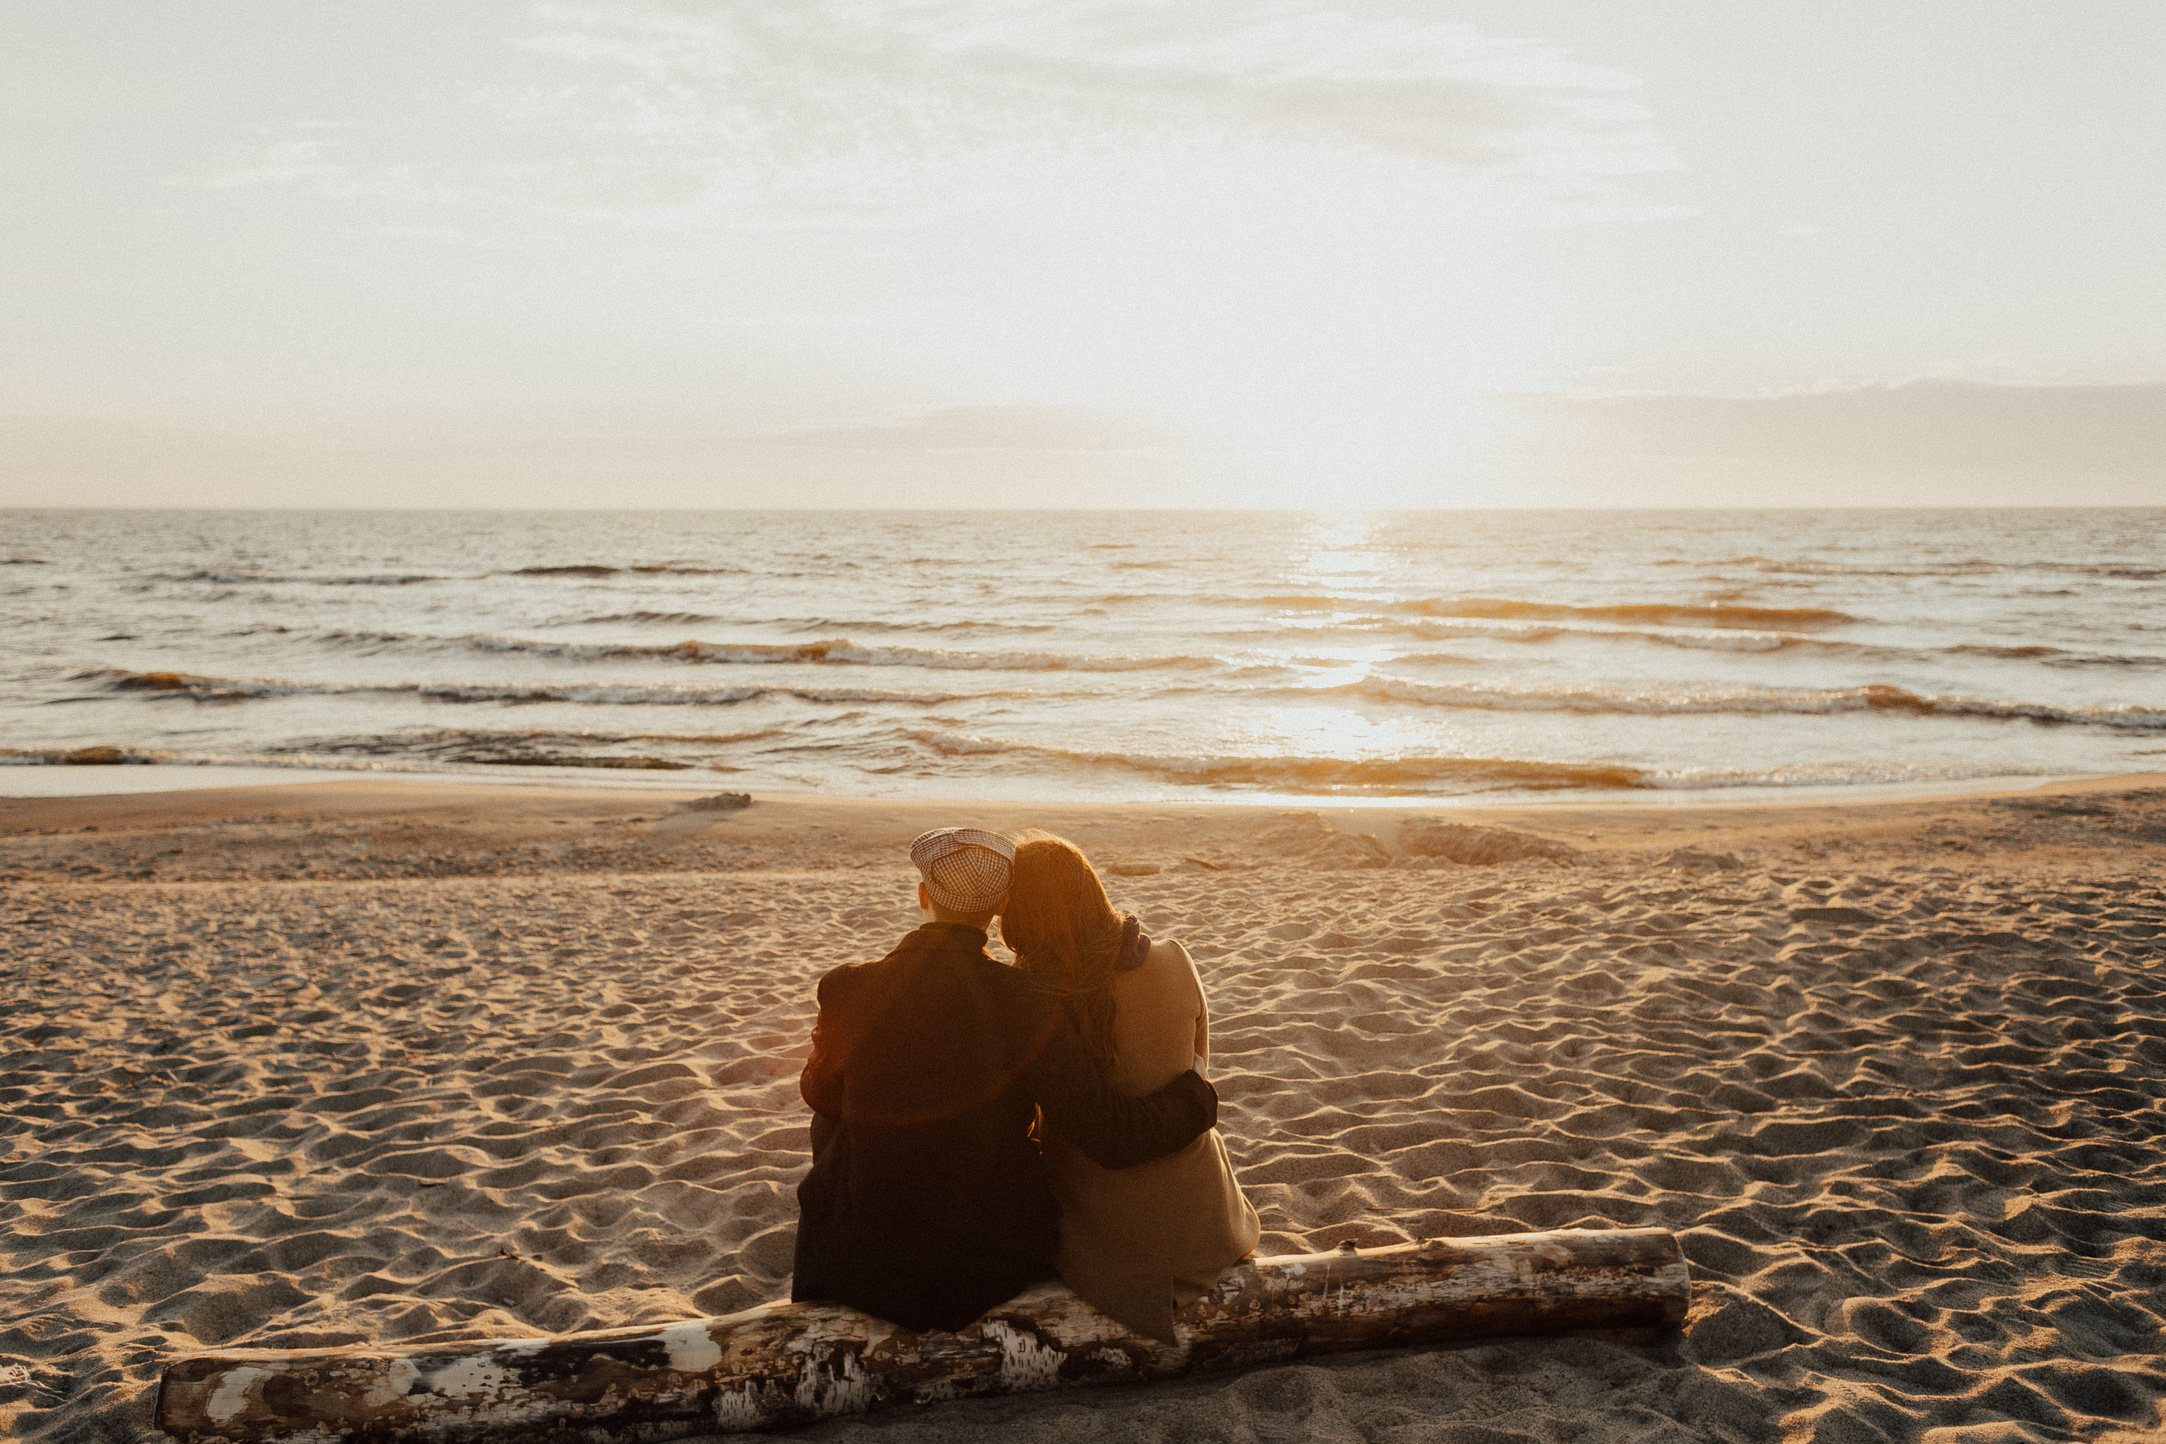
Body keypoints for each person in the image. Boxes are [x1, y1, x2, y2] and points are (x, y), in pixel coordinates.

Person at [790, 826, 1220, 1333]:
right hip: (983, 1269)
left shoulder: (845, 986)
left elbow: (818, 1094)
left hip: (860, 1265)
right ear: (998, 908)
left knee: (834, 1117)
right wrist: (1197, 1097)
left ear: (923, 894)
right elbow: (1107, 1134)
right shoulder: (1027, 1000)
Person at [1003, 834, 1262, 1343]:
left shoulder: (1038, 998)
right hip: (1210, 1226)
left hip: (1115, 1248)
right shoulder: (1175, 957)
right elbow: (1197, 1075)